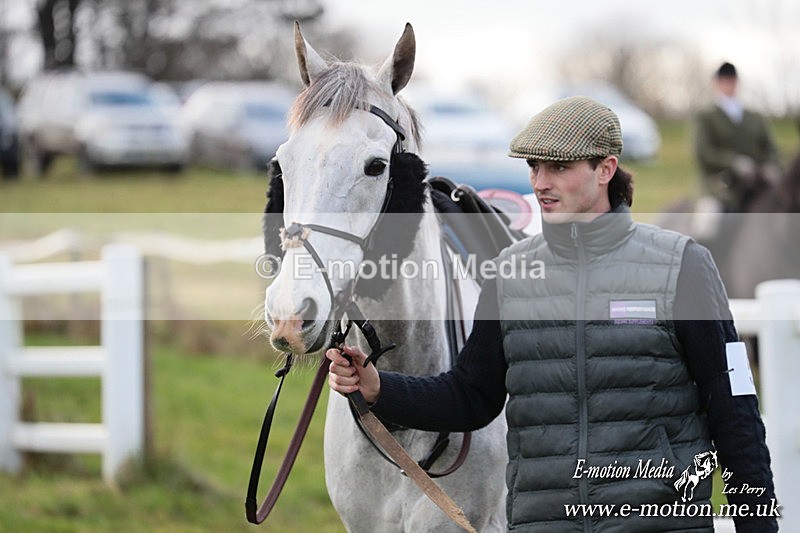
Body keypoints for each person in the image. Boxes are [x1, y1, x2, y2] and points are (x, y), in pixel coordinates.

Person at [328, 96, 778, 532]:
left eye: (559, 167)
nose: (540, 182)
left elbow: (734, 407)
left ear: (606, 169)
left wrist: (757, 524)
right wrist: (378, 387)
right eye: (534, 167)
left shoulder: (683, 265)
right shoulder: (509, 274)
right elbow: (471, 396)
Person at [694, 62, 782, 216]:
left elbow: (771, 148)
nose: (729, 85)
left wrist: (770, 164)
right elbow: (703, 153)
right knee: (707, 221)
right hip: (719, 185)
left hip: (757, 184)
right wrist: (733, 162)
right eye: (725, 80)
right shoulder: (706, 116)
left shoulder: (755, 117)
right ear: (717, 83)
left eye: (732, 80)